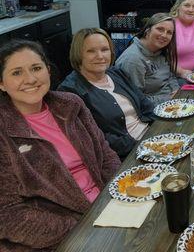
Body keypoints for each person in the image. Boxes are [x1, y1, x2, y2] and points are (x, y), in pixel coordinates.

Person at [0, 40, 120, 250]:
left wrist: (120, 194)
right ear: (1, 83)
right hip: (59, 237)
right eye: (16, 73)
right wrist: (79, 227)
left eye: (36, 68)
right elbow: (7, 213)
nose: (30, 79)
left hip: (108, 207)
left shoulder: (70, 104)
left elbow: (106, 154)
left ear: (47, 70)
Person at [59, 28, 155, 159]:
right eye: (91, 51)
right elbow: (94, 138)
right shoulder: (69, 92)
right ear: (78, 54)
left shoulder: (116, 73)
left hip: (150, 138)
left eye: (104, 50)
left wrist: (159, 130)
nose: (100, 56)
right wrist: (142, 145)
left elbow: (145, 104)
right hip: (127, 154)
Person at [115, 13, 181, 105]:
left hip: (171, 99)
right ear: (147, 30)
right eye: (160, 29)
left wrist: (176, 90)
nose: (164, 35)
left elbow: (170, 76)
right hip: (151, 110)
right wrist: (168, 99)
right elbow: (136, 100)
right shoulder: (133, 60)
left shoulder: (160, 50)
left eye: (169, 32)